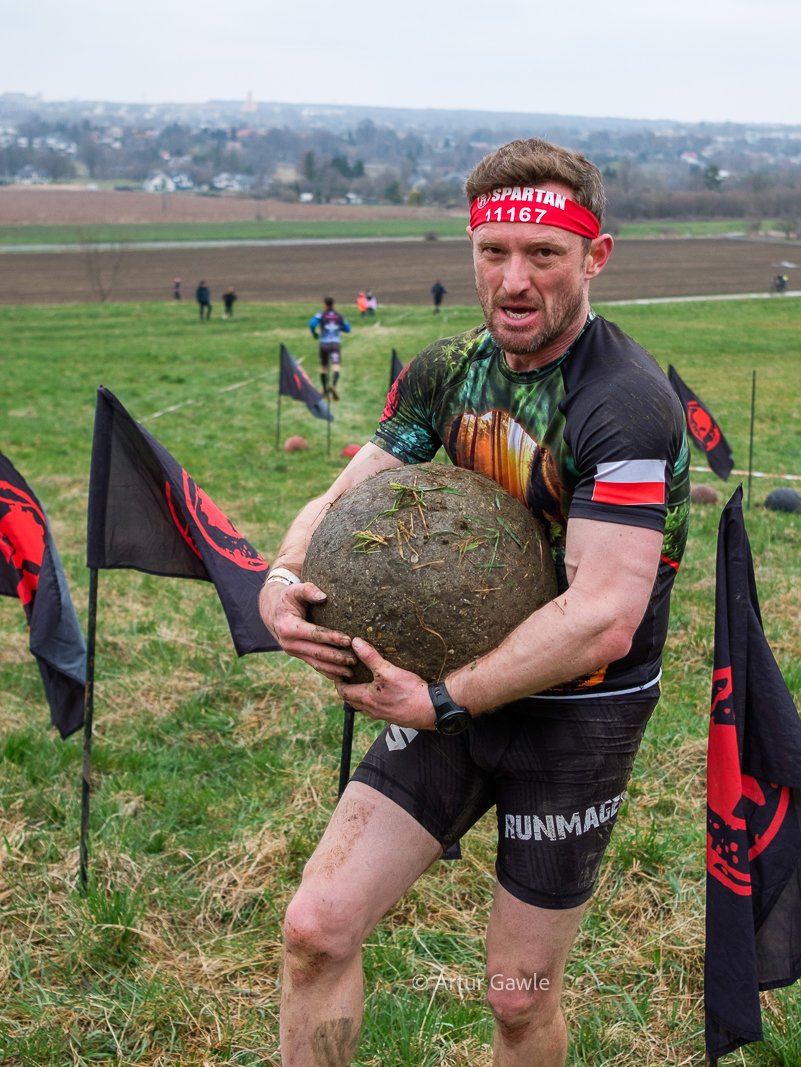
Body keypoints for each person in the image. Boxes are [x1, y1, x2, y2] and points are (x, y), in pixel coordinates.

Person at [260, 138, 689, 1067]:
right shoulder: (448, 371)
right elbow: (349, 493)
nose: (515, 280)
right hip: (447, 691)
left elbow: (604, 615)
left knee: (517, 999)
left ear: (595, 256)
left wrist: (439, 699)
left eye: (544, 254)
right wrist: (284, 580)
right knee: (316, 928)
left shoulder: (624, 403)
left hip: (576, 713)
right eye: (494, 251)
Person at [308, 297, 352, 400]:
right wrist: (339, 328)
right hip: (335, 343)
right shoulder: (339, 315)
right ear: (333, 304)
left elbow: (312, 324)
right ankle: (334, 385)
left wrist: (314, 333)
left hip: (324, 343)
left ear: (325, 305)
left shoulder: (320, 314)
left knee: (323, 367)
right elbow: (348, 329)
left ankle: (324, 389)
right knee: (336, 365)